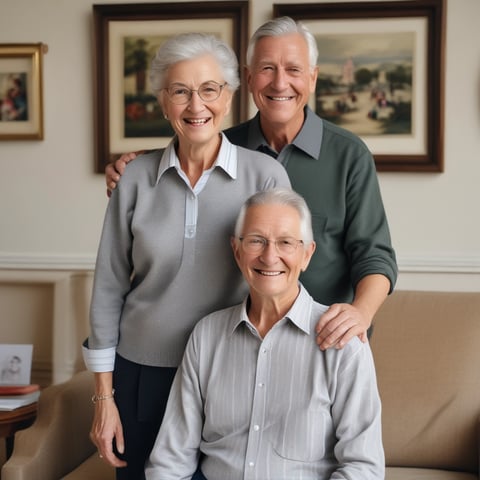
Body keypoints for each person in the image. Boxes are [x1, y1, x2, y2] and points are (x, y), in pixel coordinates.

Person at [105, 17, 398, 351]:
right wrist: (136, 163)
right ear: (247, 78)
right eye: (267, 69)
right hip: (236, 347)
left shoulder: (349, 154)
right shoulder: (223, 145)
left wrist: (360, 313)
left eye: (294, 69)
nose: (279, 83)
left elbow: (375, 256)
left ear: (313, 78)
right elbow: (180, 159)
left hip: (324, 343)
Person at [82, 32, 290, 480]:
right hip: (141, 374)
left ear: (230, 97)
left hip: (231, 372)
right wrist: (104, 399)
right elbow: (108, 286)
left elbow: (283, 277)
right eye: (180, 91)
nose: (196, 106)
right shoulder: (135, 177)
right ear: (163, 101)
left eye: (209, 90)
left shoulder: (266, 176)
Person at [146, 187, 384, 480]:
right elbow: (170, 461)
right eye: (256, 241)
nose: (270, 257)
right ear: (236, 250)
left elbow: (363, 468)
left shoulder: (343, 341)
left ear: (307, 254)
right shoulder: (206, 336)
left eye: (286, 242)